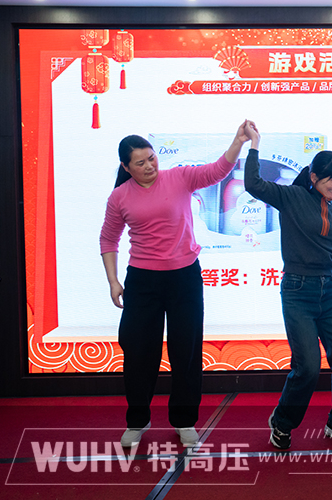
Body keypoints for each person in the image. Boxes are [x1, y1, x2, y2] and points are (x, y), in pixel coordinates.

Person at [101, 121, 253, 449]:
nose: (149, 166)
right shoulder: (119, 197)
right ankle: (137, 419)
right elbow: (108, 239)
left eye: (151, 158)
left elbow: (217, 171)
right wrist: (113, 281)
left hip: (184, 277)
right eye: (140, 163)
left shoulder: (179, 177)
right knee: (139, 352)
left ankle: (184, 420)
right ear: (126, 167)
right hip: (142, 280)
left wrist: (238, 141)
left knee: (186, 350)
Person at [243, 126, 332, 450]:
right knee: (308, 367)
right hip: (297, 291)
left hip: (330, 290)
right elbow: (253, 184)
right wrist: (254, 144)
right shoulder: (291, 197)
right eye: (331, 179)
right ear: (313, 177)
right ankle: (282, 422)